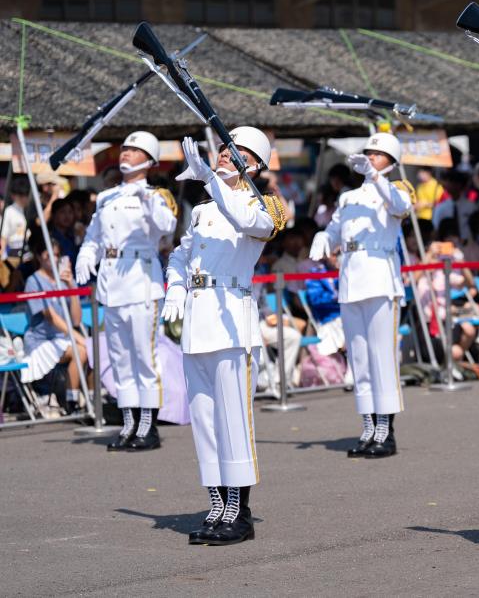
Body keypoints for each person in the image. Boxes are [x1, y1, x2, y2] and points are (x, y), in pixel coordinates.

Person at [163, 127, 286, 546]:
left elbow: (247, 219)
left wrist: (213, 181)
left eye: (234, 155)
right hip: (198, 321)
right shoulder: (202, 210)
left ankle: (240, 512)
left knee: (233, 419)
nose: (223, 158)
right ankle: (217, 505)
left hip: (233, 320)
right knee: (204, 419)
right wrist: (176, 289)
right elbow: (182, 254)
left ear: (253, 165)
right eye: (222, 151)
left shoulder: (264, 205)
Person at [309, 132, 414, 459]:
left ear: (391, 162)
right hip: (352, 278)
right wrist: (323, 237)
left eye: (378, 154)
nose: (370, 157)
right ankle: (368, 426)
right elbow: (336, 229)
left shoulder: (396, 188)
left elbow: (400, 207)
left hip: (381, 277)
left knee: (382, 357)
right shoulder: (347, 198)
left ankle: (387, 430)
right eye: (368, 153)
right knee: (360, 358)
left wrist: (375, 176)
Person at [76, 131, 178, 451]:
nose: (125, 154)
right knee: (120, 358)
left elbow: (167, 226)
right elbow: (95, 236)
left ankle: (148, 425)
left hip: (141, 282)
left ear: (148, 160)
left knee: (143, 357)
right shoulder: (106, 197)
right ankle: (129, 423)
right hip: (112, 283)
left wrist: (148, 200)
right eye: (125, 149)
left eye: (134, 150)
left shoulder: (157, 194)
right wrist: (85, 256)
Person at [23, 234, 88, 413]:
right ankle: (72, 402)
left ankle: (92, 399)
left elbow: (76, 319)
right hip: (41, 341)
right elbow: (51, 318)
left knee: (90, 350)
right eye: (49, 255)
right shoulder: (33, 282)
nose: (54, 259)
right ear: (39, 256)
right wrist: (79, 338)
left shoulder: (63, 281)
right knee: (81, 350)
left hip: (62, 338)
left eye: (57, 255)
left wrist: (71, 287)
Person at [1, 176, 31, 261]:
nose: (24, 198)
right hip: (15, 252)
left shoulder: (32, 209)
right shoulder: (9, 211)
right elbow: (3, 237)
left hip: (30, 251)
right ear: (13, 195)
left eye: (26, 195)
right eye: (21, 195)